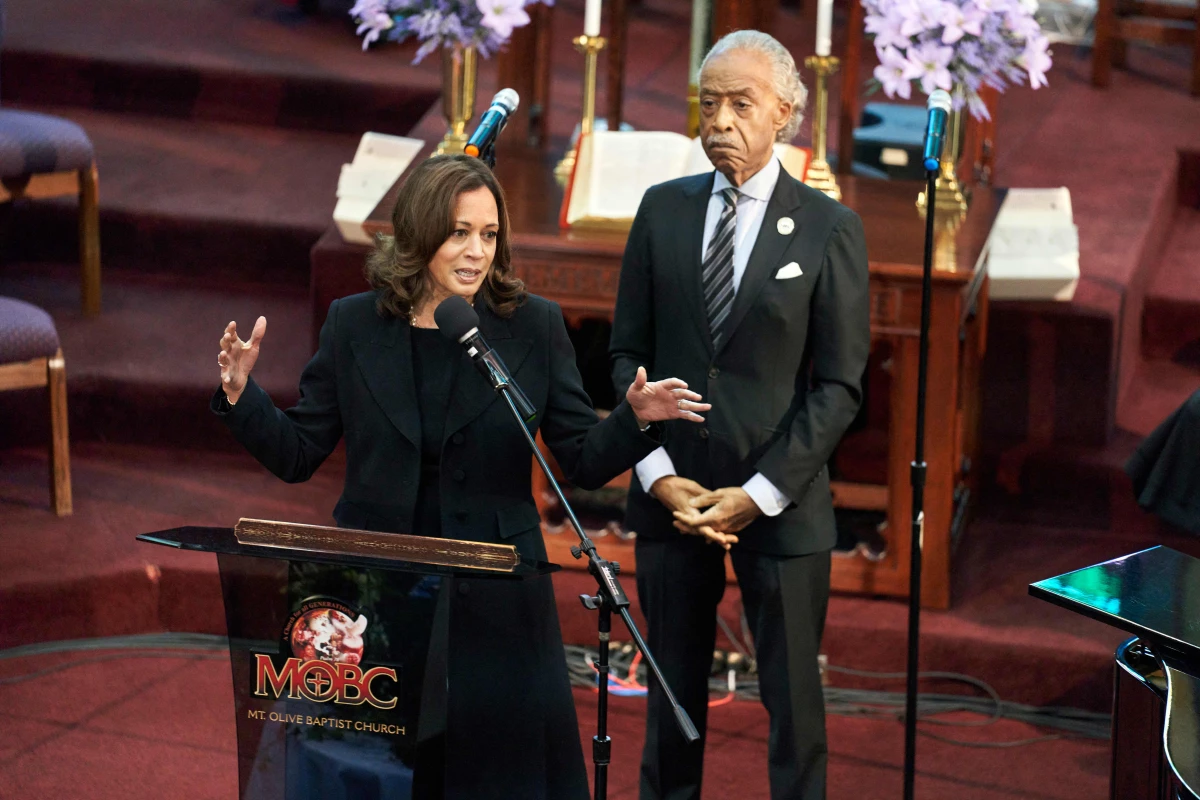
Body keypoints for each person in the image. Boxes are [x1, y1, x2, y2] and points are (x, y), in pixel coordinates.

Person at [211, 154, 711, 799]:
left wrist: (636, 420)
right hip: (378, 592)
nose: (476, 251)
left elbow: (581, 459)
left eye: (489, 234)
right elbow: (299, 452)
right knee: (381, 771)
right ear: (420, 234)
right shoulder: (355, 324)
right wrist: (241, 395)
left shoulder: (533, 326)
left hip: (496, 593)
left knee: (493, 776)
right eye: (459, 233)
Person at [610, 30, 871, 800]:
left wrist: (758, 495)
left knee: (792, 707)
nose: (719, 120)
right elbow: (626, 359)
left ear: (785, 113)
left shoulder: (829, 228)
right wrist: (657, 475)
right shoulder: (662, 211)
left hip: (779, 505)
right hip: (675, 498)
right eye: (708, 102)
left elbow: (840, 388)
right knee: (671, 700)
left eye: (739, 103)